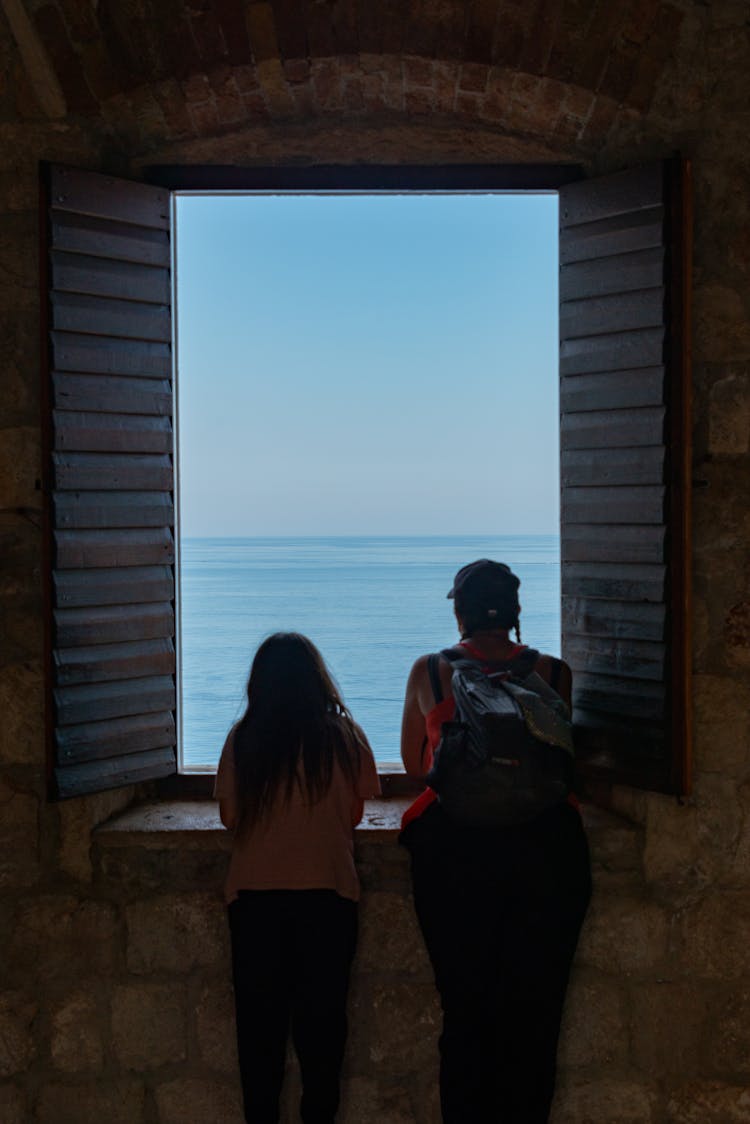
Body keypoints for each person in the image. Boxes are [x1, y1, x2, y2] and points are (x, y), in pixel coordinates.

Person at [399, 560, 591, 1124]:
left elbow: (417, 767)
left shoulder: (430, 671)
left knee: (465, 1010)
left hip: (456, 853)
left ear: (459, 612)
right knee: (536, 1012)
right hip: (547, 851)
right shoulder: (555, 675)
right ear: (515, 613)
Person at [215, 632, 381, 1124]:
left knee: (259, 1040)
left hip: (255, 902)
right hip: (327, 898)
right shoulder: (344, 737)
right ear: (317, 679)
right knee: (322, 1038)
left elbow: (229, 818)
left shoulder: (243, 739)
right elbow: (354, 813)